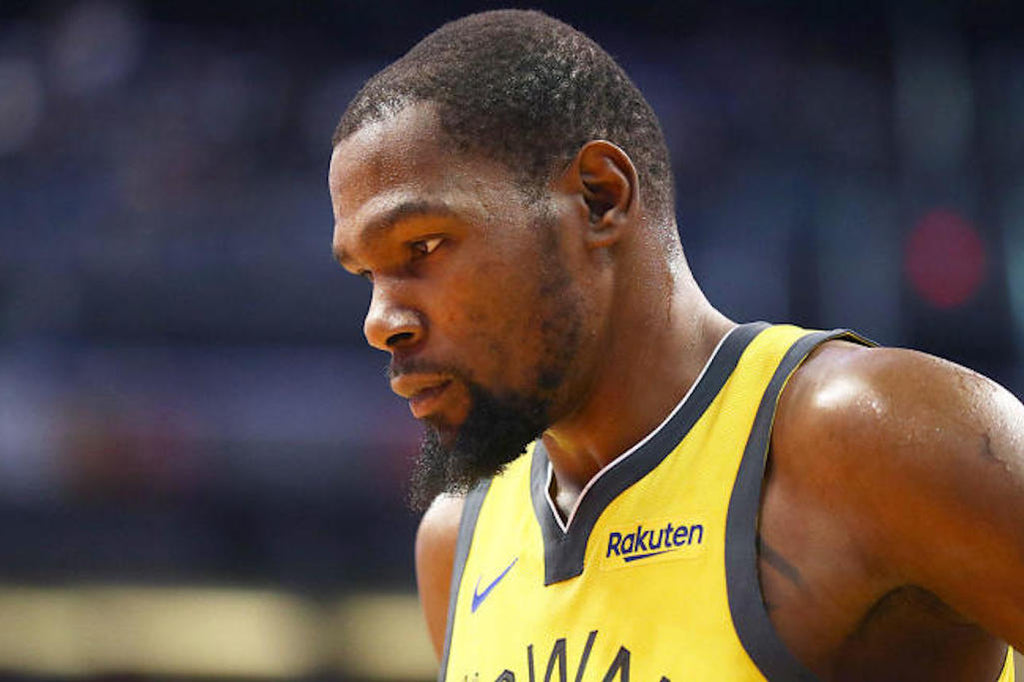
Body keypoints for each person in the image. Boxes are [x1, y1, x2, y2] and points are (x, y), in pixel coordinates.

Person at [327, 10, 1024, 681]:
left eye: (423, 246)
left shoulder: (874, 436)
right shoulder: (456, 542)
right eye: (366, 274)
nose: (380, 320)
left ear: (599, 197)